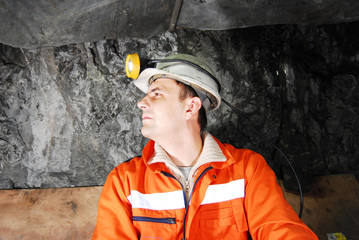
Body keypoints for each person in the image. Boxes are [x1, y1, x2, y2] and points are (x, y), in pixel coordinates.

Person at [92, 54, 318, 239]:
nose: (141, 103)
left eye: (157, 94)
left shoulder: (248, 170)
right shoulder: (125, 182)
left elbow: (282, 231)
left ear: (190, 108)